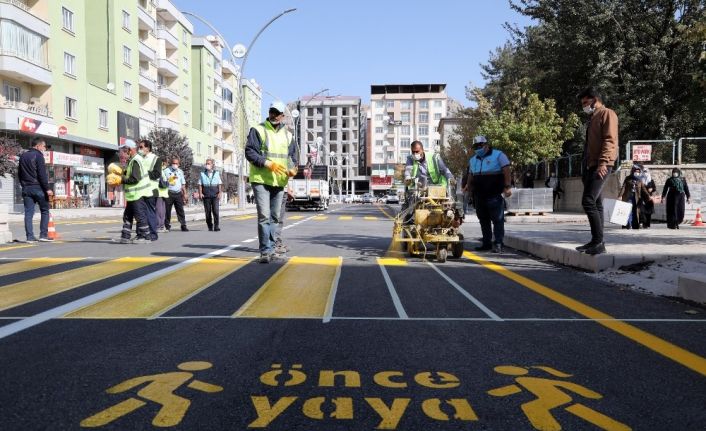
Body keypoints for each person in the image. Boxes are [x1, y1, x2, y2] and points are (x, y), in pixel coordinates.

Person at [245, 101, 297, 263]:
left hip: (279, 182)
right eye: (271, 111)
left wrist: (293, 170)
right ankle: (265, 251)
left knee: (275, 217)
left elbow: (292, 158)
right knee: (264, 216)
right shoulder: (258, 130)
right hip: (260, 179)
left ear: (283, 116)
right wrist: (267, 163)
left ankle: (273, 248)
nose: (273, 115)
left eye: (277, 113)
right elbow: (249, 152)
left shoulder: (288, 135)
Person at [575, 87, 618, 255]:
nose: (584, 106)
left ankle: (598, 242)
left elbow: (610, 139)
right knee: (597, 203)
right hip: (590, 165)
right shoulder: (593, 117)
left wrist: (604, 163)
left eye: (586, 102)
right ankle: (596, 241)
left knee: (588, 201)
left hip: (601, 164)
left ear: (595, 99)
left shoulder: (607, 113)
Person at [465, 135, 512, 253]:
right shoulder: (473, 160)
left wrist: (507, 187)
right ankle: (486, 243)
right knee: (483, 220)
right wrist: (468, 187)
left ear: (486, 145)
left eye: (480, 146)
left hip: (494, 194)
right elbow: (471, 175)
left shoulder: (498, 155)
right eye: (475, 146)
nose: (478, 148)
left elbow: (506, 171)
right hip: (479, 196)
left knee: (497, 220)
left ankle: (498, 244)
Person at [18, 137, 53, 242]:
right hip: (38, 188)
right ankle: (43, 235)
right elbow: (42, 174)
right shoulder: (38, 156)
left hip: (26, 188)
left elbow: (19, 173)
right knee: (45, 210)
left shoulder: (23, 156)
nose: (44, 149)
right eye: (43, 146)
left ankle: (29, 237)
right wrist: (47, 189)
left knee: (28, 213)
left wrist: (23, 185)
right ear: (38, 146)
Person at [117, 139, 151, 244]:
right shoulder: (133, 160)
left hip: (137, 194)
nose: (123, 152)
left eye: (124, 150)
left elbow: (135, 178)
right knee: (127, 215)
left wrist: (121, 179)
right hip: (133, 195)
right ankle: (125, 236)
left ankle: (145, 236)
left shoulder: (136, 160)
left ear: (130, 150)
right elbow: (131, 175)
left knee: (140, 216)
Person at [138, 139, 162, 241]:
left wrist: (144, 173)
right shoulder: (139, 158)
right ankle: (141, 234)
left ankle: (153, 234)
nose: (139, 149)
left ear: (147, 148)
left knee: (150, 212)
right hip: (140, 190)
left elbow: (157, 174)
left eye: (141, 147)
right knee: (139, 213)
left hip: (151, 189)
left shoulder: (156, 159)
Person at [618, 165, 652, 230]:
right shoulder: (628, 178)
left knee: (635, 211)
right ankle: (628, 224)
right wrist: (620, 195)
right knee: (628, 210)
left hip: (636, 197)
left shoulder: (640, 180)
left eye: (638, 171)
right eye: (636, 171)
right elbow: (623, 187)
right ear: (633, 171)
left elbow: (643, 189)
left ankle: (634, 225)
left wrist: (648, 196)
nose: (637, 173)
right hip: (628, 196)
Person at [163, 157, 189, 232]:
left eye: (176, 163)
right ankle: (167, 225)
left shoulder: (180, 172)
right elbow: (163, 182)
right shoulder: (166, 171)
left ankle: (183, 225)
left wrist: (185, 193)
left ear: (179, 164)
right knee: (167, 210)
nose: (175, 165)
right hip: (169, 193)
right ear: (171, 163)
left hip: (178, 193)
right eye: (173, 163)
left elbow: (183, 184)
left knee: (180, 210)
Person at [199, 158, 222, 232]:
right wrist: (200, 193)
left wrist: (220, 192)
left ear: (212, 165)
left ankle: (216, 226)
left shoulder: (217, 173)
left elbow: (219, 184)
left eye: (209, 163)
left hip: (215, 194)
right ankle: (209, 225)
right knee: (207, 212)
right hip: (206, 194)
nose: (207, 165)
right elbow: (200, 184)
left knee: (215, 211)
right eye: (206, 163)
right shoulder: (202, 173)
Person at [635, 164, 656, 228]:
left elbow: (654, 188)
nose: (645, 173)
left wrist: (652, 189)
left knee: (648, 212)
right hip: (642, 197)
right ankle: (642, 222)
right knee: (642, 211)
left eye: (646, 172)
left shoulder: (651, 181)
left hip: (649, 198)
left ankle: (647, 224)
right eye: (644, 172)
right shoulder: (640, 180)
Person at [156, 160, 168, 233]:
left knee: (162, 211)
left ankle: (161, 226)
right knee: (159, 211)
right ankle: (159, 226)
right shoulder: (159, 171)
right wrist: (168, 182)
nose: (166, 165)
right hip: (159, 193)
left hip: (163, 193)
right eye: (165, 163)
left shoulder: (162, 171)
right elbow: (162, 183)